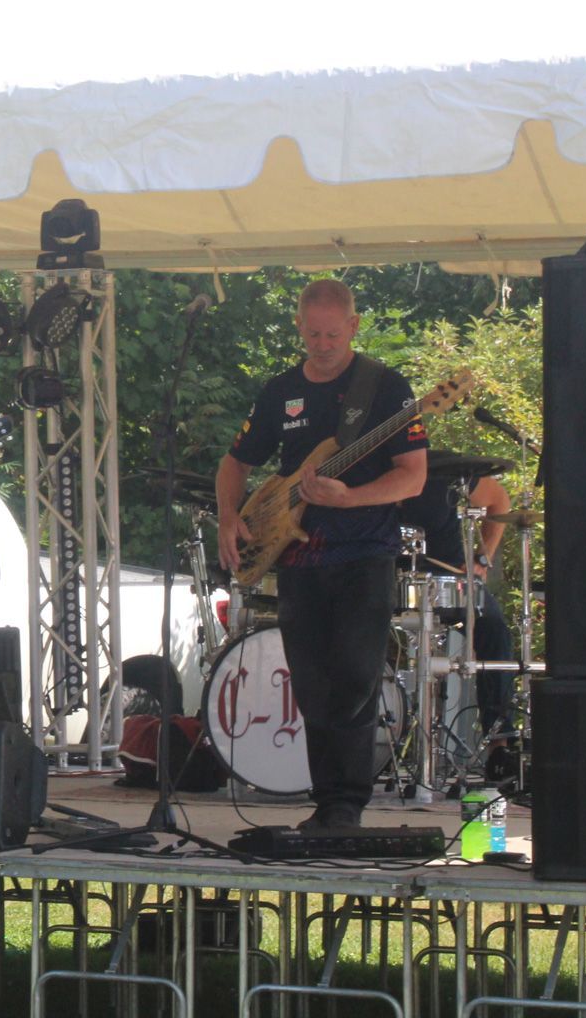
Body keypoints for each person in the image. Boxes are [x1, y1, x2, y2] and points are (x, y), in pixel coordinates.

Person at [216, 279, 428, 830]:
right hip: (297, 559)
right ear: (299, 328)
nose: (323, 343)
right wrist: (229, 516)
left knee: (355, 675)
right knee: (310, 681)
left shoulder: (384, 387)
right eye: (313, 333)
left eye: (334, 333)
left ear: (354, 327)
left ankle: (345, 804)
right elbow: (235, 461)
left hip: (364, 554)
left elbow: (413, 476)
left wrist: (351, 496)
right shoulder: (280, 390)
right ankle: (327, 801)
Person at [397, 466, 517, 738]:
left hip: (449, 580)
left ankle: (500, 737)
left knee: (494, 629)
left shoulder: (444, 469)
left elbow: (499, 499)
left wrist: (482, 558)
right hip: (387, 582)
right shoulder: (365, 471)